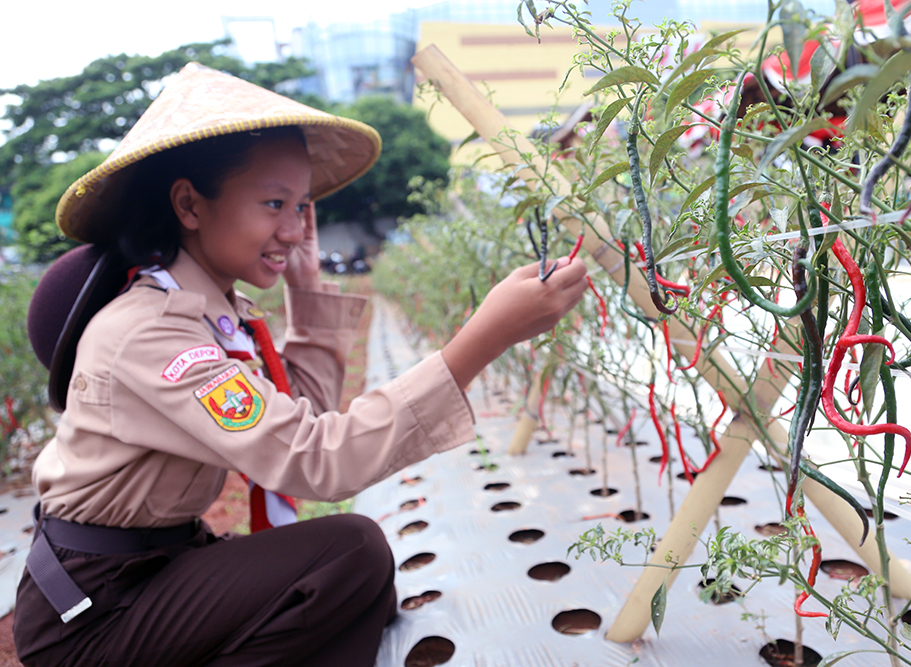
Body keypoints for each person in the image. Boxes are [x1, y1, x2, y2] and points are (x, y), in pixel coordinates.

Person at [15, 63, 587, 667]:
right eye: (272, 203)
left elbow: (296, 416)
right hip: (92, 613)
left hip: (154, 569)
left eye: (302, 207)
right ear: (189, 204)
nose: (293, 230)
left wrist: (307, 293)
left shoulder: (211, 312)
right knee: (350, 553)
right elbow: (314, 458)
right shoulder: (153, 333)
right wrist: (485, 336)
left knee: (361, 585)